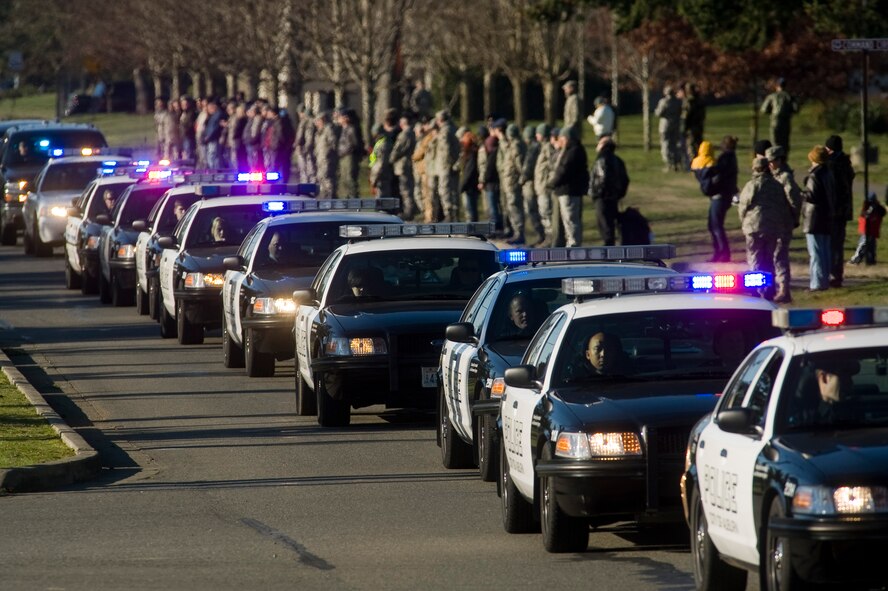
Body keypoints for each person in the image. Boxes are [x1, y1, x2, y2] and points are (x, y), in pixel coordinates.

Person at [737, 157, 793, 300]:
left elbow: (743, 205)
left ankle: (755, 289)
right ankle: (769, 289)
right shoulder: (777, 185)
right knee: (769, 258)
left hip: (754, 226)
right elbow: (784, 205)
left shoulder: (752, 185)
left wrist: (743, 220)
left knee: (755, 258)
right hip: (772, 226)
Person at [766, 145, 802, 303]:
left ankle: (784, 289)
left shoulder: (785, 177)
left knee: (779, 255)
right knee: (773, 255)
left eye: (772, 161)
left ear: (779, 160)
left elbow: (794, 200)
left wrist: (793, 217)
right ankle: (776, 287)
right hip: (774, 222)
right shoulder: (773, 175)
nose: (770, 164)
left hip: (783, 222)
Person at [801, 145, 836, 292]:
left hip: (813, 218)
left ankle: (816, 283)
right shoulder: (828, 174)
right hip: (826, 216)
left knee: (815, 252)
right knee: (825, 251)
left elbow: (813, 196)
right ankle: (825, 280)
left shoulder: (815, 175)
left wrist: (800, 193)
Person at [548, 126, 588, 247]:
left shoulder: (573, 152)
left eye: (562, 138)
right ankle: (570, 244)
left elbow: (563, 170)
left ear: (568, 138)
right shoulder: (571, 150)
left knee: (571, 220)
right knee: (568, 221)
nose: (561, 141)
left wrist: (552, 183)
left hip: (570, 191)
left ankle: (573, 246)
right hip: (566, 190)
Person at [825, 135, 855, 287]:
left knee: (832, 245)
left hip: (833, 211)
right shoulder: (846, 163)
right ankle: (837, 274)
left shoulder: (831, 165)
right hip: (843, 210)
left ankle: (833, 275)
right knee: (838, 244)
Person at [589, 136, 628, 246]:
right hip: (613, 197)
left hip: (602, 197)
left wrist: (597, 193)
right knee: (610, 224)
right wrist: (620, 193)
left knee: (605, 225)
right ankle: (611, 247)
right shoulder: (618, 160)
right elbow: (625, 179)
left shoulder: (602, 159)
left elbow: (603, 178)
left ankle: (608, 251)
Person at [691, 140, 723, 261]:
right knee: (716, 226)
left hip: (712, 197)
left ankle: (719, 252)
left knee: (713, 225)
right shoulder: (713, 163)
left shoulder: (695, 163)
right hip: (718, 196)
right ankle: (722, 252)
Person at [520, 125, 545, 245]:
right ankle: (540, 235)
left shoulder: (533, 148)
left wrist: (523, 178)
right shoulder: (537, 147)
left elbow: (528, 166)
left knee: (532, 210)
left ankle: (540, 235)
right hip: (536, 183)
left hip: (530, 183)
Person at [761, 78, 799, 155]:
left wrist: (771, 112)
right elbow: (796, 108)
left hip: (775, 121)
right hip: (786, 122)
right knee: (785, 143)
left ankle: (775, 159)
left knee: (775, 142)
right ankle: (784, 159)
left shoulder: (772, 96)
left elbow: (764, 109)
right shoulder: (789, 96)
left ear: (777, 86)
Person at [533, 123, 555, 247]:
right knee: (544, 213)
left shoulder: (548, 148)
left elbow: (552, 167)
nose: (536, 135)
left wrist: (548, 183)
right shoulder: (543, 147)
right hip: (541, 187)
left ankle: (550, 239)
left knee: (547, 213)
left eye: (538, 133)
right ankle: (548, 238)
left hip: (545, 188)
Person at [850, 191, 886, 265]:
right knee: (864, 244)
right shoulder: (866, 207)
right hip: (866, 230)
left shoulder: (878, 208)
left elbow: (883, 212)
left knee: (870, 245)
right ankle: (857, 259)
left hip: (872, 230)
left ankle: (869, 260)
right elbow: (864, 216)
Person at [392, 114, 417, 219]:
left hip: (403, 164)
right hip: (408, 163)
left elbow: (397, 150)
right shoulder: (412, 133)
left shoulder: (404, 135)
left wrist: (391, 159)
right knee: (408, 188)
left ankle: (409, 211)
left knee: (405, 189)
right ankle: (410, 209)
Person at [654, 85, 682, 172]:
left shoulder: (664, 101)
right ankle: (676, 162)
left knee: (665, 144)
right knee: (675, 144)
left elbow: (659, 113)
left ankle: (669, 163)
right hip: (676, 125)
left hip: (665, 126)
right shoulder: (678, 102)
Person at [457, 127, 480, 222]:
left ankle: (472, 227)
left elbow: (468, 172)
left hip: (469, 186)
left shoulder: (471, 154)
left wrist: (462, 186)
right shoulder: (468, 154)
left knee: (470, 208)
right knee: (470, 208)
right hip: (469, 185)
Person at [682, 82, 706, 166]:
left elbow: (686, 116)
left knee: (691, 147)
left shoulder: (689, 101)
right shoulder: (700, 100)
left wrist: (684, 128)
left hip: (691, 128)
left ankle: (694, 165)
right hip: (699, 126)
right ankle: (701, 163)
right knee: (699, 146)